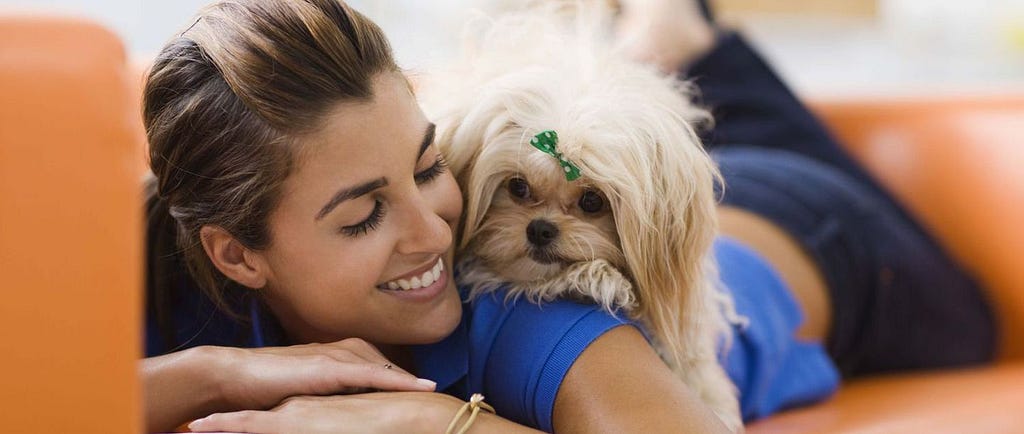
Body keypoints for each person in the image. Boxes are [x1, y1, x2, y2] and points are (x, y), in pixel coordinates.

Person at [141, 0, 996, 433]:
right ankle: (663, 50)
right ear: (234, 254)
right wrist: (211, 373)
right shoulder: (158, 268)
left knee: (971, 322)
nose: (439, 231)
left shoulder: (528, 309)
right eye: (364, 214)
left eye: (430, 166)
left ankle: (683, 47)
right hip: (643, 189)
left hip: (819, 237)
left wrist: (453, 422)